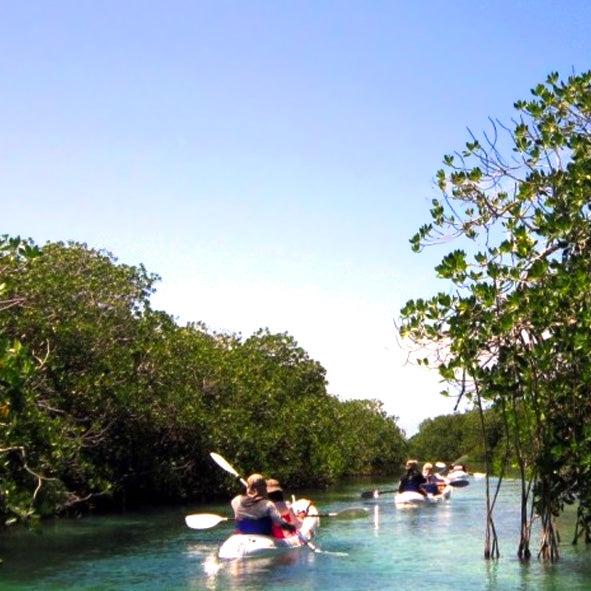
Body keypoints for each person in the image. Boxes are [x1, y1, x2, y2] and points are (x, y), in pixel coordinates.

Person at [231, 473, 298, 536]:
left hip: (244, 535)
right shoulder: (268, 505)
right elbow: (280, 523)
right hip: (265, 536)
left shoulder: (236, 501)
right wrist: (292, 528)